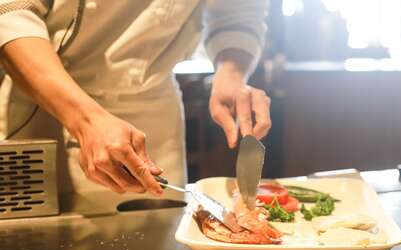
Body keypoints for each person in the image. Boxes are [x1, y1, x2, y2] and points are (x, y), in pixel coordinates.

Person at [0, 0, 271, 195]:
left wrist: (232, 75)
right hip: (47, 99)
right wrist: (86, 121)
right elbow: (12, 13)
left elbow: (238, 14)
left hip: (153, 112)